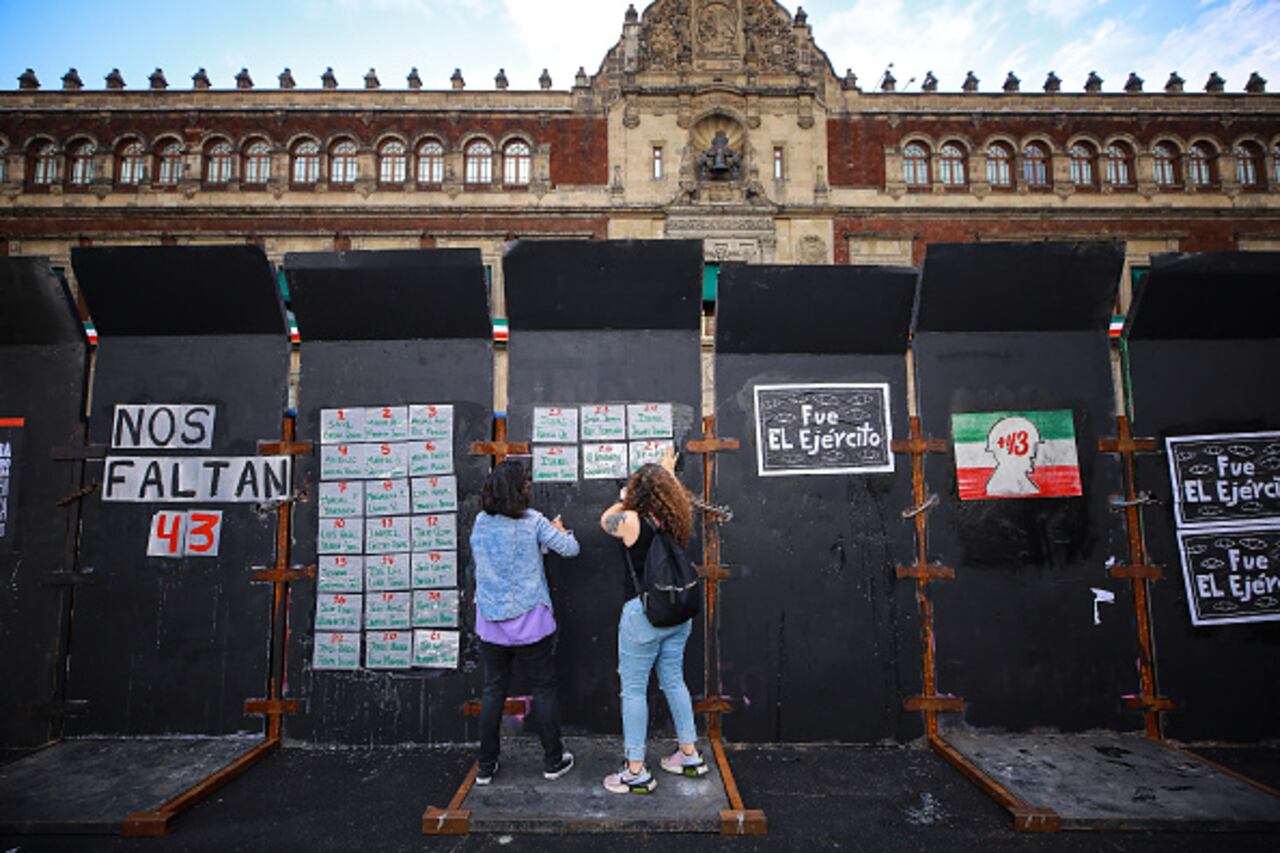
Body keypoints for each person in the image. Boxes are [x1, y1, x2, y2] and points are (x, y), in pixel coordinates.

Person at [598, 448, 708, 794]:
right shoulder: (677, 517)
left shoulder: (630, 520)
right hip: (678, 614)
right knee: (674, 681)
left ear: (637, 493)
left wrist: (624, 498)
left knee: (633, 691)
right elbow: (670, 491)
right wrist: (668, 471)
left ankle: (635, 771)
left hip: (643, 617)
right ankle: (689, 755)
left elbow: (604, 520)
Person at [470, 460, 579, 785]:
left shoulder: (481, 521)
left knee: (493, 691)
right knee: (543, 689)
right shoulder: (534, 522)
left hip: (491, 621)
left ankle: (486, 766)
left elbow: (492, 558)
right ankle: (553, 760)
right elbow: (571, 549)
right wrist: (558, 532)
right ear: (519, 490)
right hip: (530, 619)